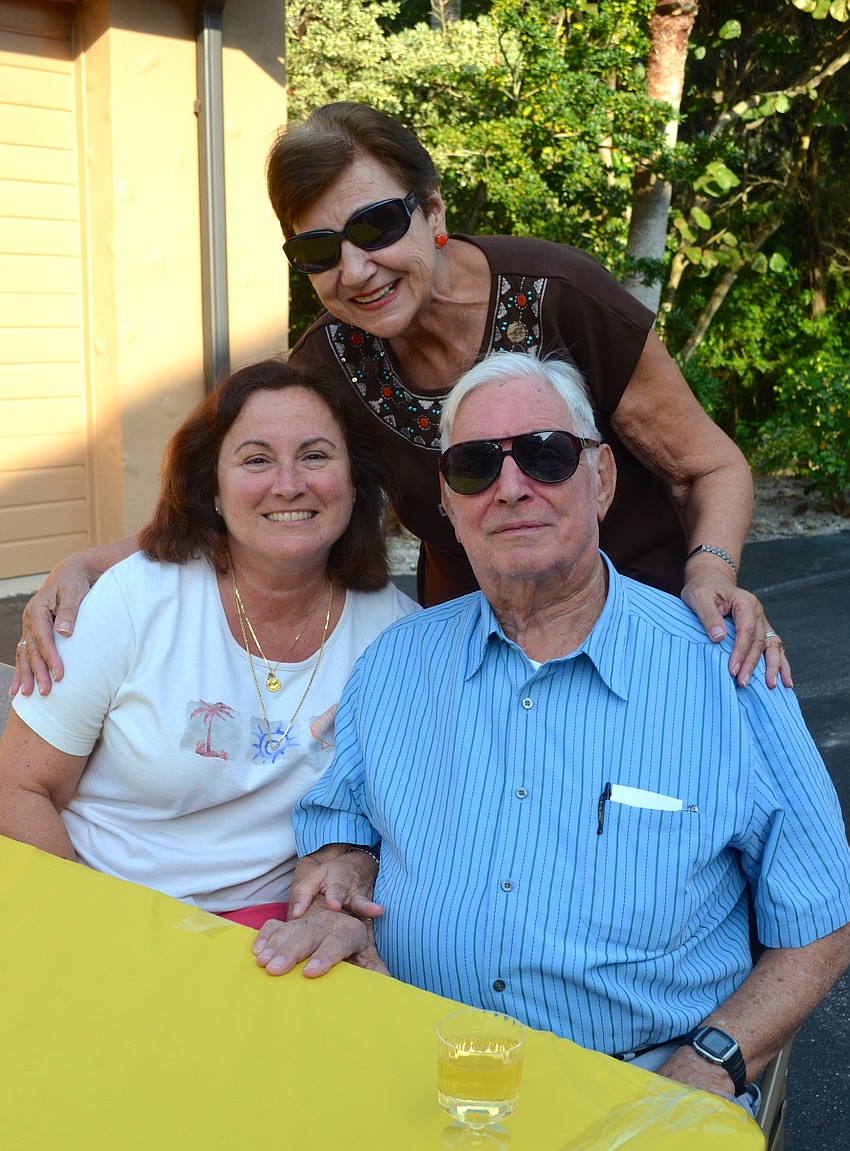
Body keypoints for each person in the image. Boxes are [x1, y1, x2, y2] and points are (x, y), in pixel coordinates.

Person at [12, 101, 789, 696]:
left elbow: (708, 468)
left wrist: (710, 576)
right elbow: (246, 506)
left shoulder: (561, 297)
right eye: (318, 250)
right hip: (489, 652)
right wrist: (91, 565)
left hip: (646, 629)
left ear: (435, 212)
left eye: (376, 225)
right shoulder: (329, 366)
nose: (354, 270)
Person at [254, 353, 850, 1112]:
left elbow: (823, 919)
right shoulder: (396, 665)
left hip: (642, 1089)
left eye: (545, 454)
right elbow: (340, 833)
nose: (511, 487)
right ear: (448, 499)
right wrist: (339, 883)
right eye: (473, 465)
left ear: (600, 478)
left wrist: (707, 1068)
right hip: (423, 1073)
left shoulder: (726, 669)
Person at [0, 358, 418, 925]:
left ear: (354, 481)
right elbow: (20, 788)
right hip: (100, 903)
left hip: (277, 931)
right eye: (256, 460)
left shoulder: (399, 637)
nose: (289, 484)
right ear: (214, 491)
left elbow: (395, 820)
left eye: (315, 455)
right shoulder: (130, 601)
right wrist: (86, 930)